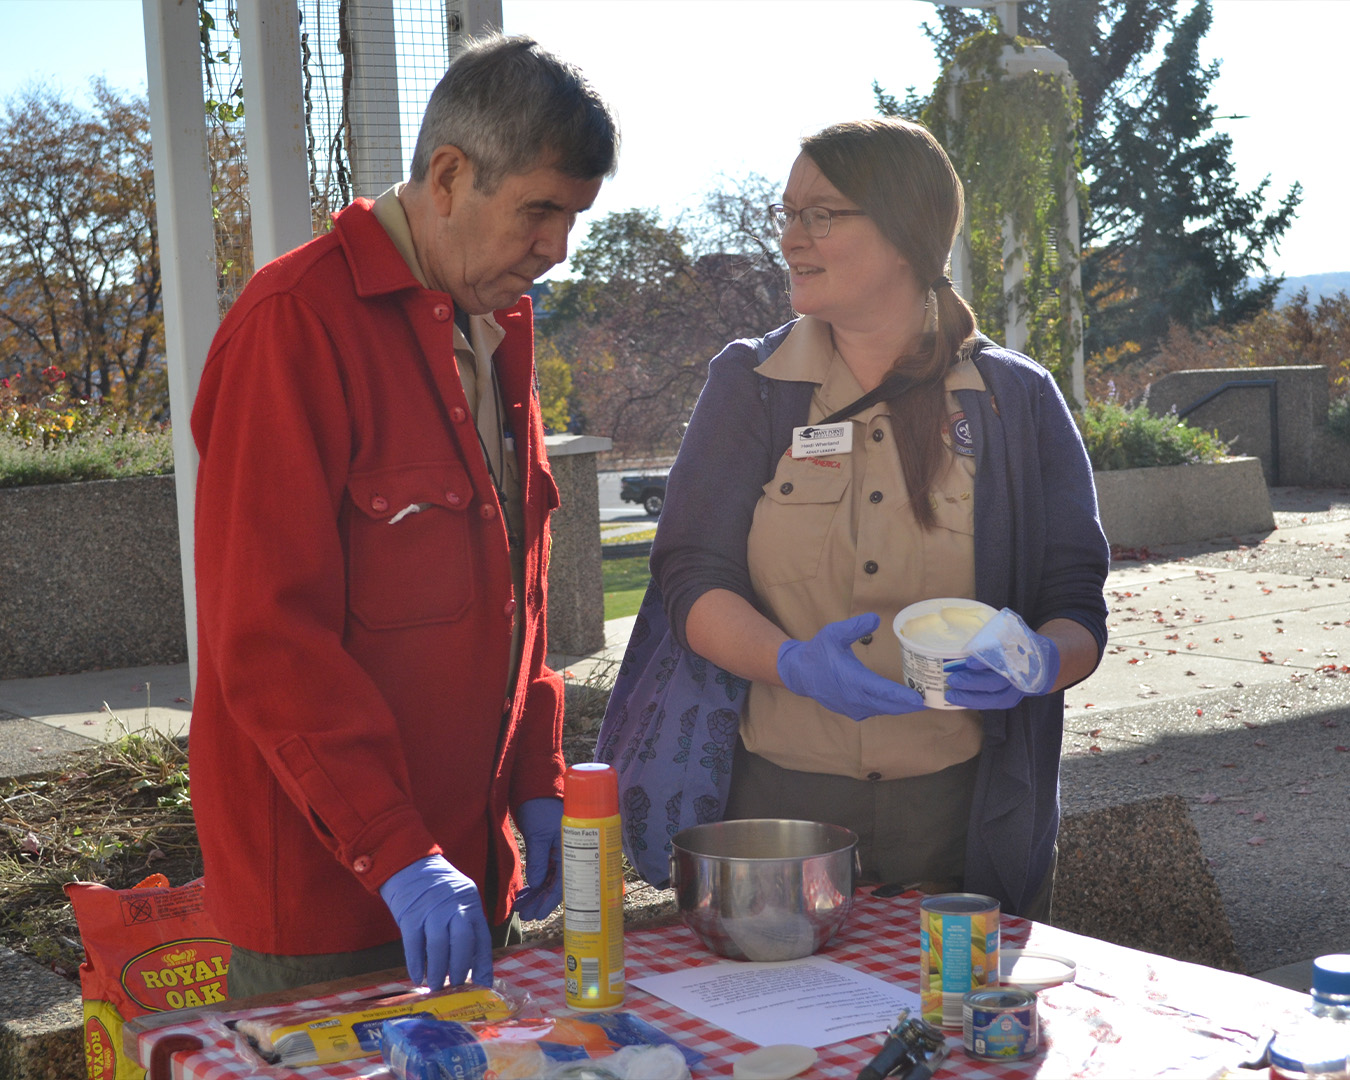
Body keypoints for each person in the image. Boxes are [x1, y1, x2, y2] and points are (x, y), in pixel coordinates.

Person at [190, 35, 619, 997]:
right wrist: (396, 856)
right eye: (540, 211)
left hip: (469, 876)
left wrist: (538, 780)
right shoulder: (291, 322)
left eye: (574, 216)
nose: (556, 250)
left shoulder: (497, 324)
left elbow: (521, 595)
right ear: (449, 175)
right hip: (331, 905)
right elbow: (266, 641)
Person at [643, 118, 1108, 920]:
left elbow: (1077, 600)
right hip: (773, 820)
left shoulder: (1015, 400)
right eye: (786, 214)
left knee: (950, 1035)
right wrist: (792, 664)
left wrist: (1037, 659)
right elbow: (690, 577)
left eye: (821, 215)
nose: (792, 239)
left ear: (905, 232)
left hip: (960, 818)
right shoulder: (751, 386)